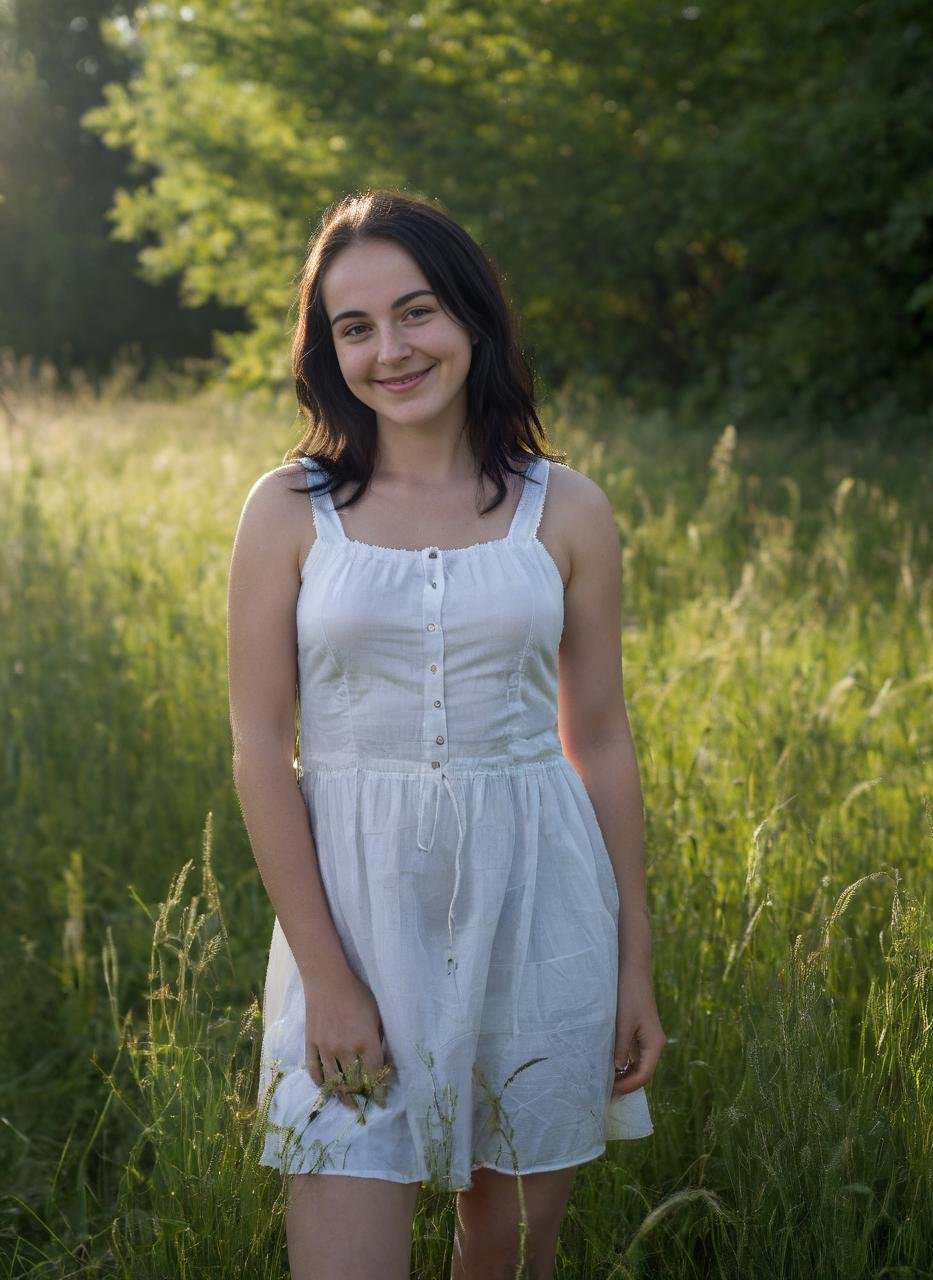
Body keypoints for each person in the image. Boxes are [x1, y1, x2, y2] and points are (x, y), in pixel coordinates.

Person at [227, 188, 666, 1280]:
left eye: (416, 311)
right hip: (353, 921)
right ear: (329, 351)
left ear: (471, 316)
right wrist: (327, 979)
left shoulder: (565, 509)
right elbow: (257, 745)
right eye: (355, 326)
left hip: (540, 912)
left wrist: (633, 965)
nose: (392, 349)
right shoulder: (289, 510)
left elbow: (600, 737)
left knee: (507, 1252)